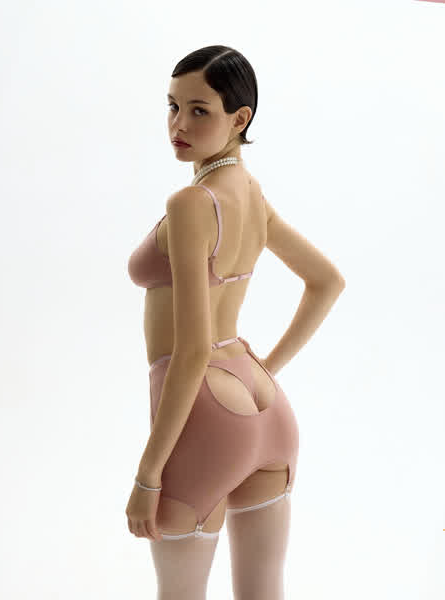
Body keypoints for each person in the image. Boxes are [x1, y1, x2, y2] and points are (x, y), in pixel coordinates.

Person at [125, 44, 346, 600]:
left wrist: (147, 474)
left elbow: (192, 350)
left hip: (202, 408)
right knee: (263, 589)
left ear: (239, 118)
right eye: (173, 106)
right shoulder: (249, 193)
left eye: (199, 110)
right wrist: (265, 369)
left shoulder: (192, 203)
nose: (178, 124)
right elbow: (326, 281)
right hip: (263, 402)